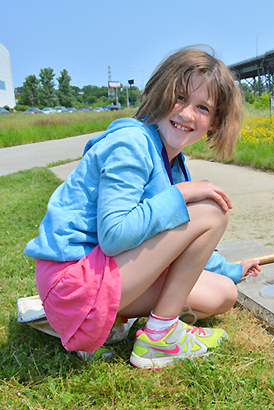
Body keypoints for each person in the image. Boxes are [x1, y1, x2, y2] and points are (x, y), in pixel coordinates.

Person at [24, 46, 261, 369]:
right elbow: (114, 236)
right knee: (212, 210)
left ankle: (113, 319)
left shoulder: (171, 162)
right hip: (71, 284)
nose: (187, 114)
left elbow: (174, 239)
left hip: (100, 276)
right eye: (179, 98)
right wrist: (183, 193)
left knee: (223, 294)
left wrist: (234, 269)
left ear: (215, 122)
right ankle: (159, 338)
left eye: (203, 107)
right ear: (159, 93)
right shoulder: (132, 143)